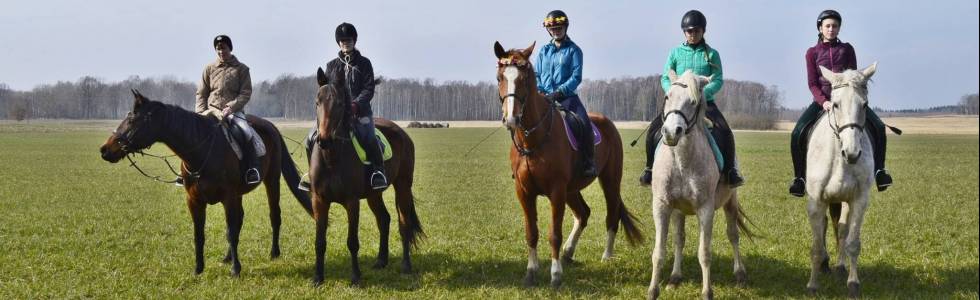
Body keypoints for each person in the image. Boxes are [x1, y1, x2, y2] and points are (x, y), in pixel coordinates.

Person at [788, 9, 893, 196]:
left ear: (839, 28)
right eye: (827, 26)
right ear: (820, 28)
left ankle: (880, 171)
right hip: (823, 102)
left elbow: (853, 77)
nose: (831, 29)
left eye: (834, 26)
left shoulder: (847, 49)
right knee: (797, 133)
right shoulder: (812, 53)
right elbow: (812, 83)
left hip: (847, 103)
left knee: (878, 126)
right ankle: (800, 179)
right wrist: (823, 102)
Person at [639, 10, 744, 187]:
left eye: (696, 31)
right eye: (689, 31)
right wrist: (671, 92)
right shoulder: (675, 53)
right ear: (684, 32)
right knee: (653, 130)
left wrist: (702, 94)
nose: (692, 34)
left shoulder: (712, 54)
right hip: (678, 104)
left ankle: (730, 172)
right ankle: (649, 169)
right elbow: (666, 76)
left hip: (704, 102)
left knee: (725, 131)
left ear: (703, 31)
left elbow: (717, 79)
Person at [299, 23, 387, 191]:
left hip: (360, 113)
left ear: (354, 41)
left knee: (369, 137)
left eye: (349, 40)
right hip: (336, 115)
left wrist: (356, 105)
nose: (345, 43)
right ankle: (312, 174)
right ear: (338, 43)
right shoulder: (331, 65)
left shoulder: (364, 63)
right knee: (310, 138)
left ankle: (378, 172)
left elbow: (369, 89)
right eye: (342, 40)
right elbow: (327, 90)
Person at [187, 34, 262, 186]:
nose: (221, 51)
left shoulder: (242, 69)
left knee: (245, 132)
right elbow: (201, 93)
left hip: (233, 112)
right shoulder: (209, 69)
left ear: (230, 48)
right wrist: (200, 112)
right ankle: (187, 173)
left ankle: (251, 169)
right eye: (218, 49)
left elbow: (245, 93)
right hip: (211, 111)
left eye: (224, 48)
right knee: (191, 133)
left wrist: (231, 107)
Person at [536, 9, 596, 177]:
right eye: (553, 29)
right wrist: (540, 89)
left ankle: (588, 162)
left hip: (567, 97)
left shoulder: (574, 50)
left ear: (565, 27)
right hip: (544, 97)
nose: (556, 31)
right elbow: (536, 74)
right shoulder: (543, 51)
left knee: (583, 123)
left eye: (559, 28)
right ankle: (523, 161)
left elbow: (576, 77)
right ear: (548, 30)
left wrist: (560, 92)